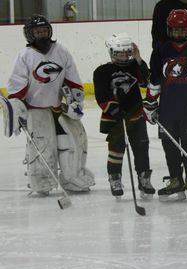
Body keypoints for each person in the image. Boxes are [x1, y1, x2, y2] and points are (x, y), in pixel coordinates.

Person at [5, 14, 95, 195]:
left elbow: (73, 82)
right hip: (35, 110)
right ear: (30, 34)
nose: (42, 35)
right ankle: (42, 180)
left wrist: (74, 103)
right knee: (42, 146)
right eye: (37, 32)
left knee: (74, 141)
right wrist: (17, 107)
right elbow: (16, 87)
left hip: (57, 108)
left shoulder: (61, 51)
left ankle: (72, 177)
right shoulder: (25, 56)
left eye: (44, 30)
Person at [143, 9, 187, 201]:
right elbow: (156, 78)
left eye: (183, 30)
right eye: (175, 30)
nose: (179, 34)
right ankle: (175, 180)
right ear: (169, 30)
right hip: (167, 108)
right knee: (170, 146)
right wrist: (150, 102)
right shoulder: (161, 49)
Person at [93, 33, 154, 199]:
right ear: (112, 52)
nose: (123, 57)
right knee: (116, 149)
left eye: (127, 53)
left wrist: (139, 60)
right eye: (119, 53)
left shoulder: (135, 66)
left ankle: (144, 178)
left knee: (142, 147)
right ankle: (115, 178)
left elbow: (146, 82)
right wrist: (114, 110)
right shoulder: (102, 71)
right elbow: (101, 95)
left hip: (135, 114)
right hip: (114, 118)